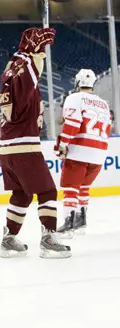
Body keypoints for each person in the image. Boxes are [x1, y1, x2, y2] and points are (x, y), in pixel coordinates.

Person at [0, 27, 71, 259]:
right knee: (47, 191)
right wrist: (35, 51)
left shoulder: (10, 73)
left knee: (21, 194)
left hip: (6, 147)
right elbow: (31, 74)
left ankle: (9, 239)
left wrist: (29, 51)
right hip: (23, 147)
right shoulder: (23, 74)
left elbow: (21, 69)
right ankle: (49, 238)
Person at [55, 69, 111, 238]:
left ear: (77, 82)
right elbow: (107, 127)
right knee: (84, 187)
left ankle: (69, 225)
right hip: (99, 151)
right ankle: (81, 223)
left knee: (71, 188)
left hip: (80, 149)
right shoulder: (104, 103)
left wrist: (63, 144)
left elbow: (73, 122)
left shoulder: (74, 98)